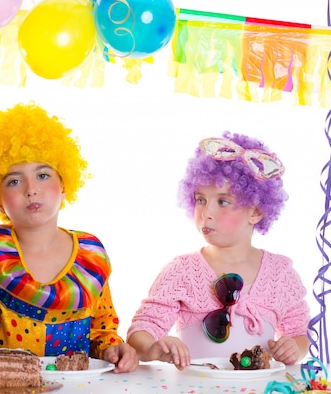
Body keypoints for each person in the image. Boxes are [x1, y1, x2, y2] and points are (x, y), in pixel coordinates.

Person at [0, 102, 138, 373]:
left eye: (42, 175)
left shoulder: (91, 255)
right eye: (14, 181)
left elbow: (102, 331)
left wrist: (115, 349)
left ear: (64, 186)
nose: (31, 190)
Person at [127, 131, 310, 370]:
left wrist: (294, 347)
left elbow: (302, 332)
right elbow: (142, 328)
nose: (206, 212)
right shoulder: (182, 270)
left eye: (222, 202)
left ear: (255, 211)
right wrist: (152, 348)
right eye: (201, 200)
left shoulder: (280, 273)